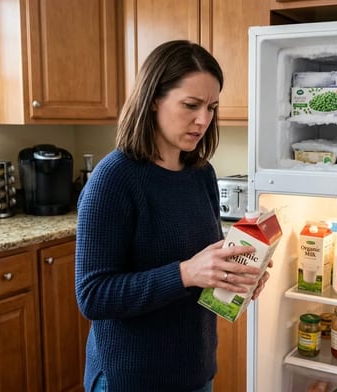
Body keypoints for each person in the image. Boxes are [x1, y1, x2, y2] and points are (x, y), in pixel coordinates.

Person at [75, 40, 271, 392]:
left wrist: (235, 275)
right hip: (131, 378)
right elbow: (93, 295)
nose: (203, 120)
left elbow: (200, 270)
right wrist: (185, 272)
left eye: (211, 107)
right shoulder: (113, 180)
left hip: (195, 370)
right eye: (191, 105)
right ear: (153, 99)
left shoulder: (201, 173)